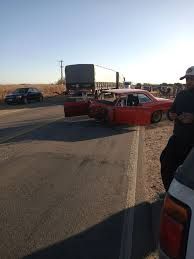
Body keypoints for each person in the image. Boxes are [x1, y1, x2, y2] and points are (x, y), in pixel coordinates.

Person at [160, 66, 194, 191]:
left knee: (187, 175)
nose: (188, 81)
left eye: (192, 79)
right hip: (177, 138)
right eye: (187, 79)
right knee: (166, 162)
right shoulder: (181, 94)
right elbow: (171, 111)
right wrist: (170, 115)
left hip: (192, 145)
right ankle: (170, 192)